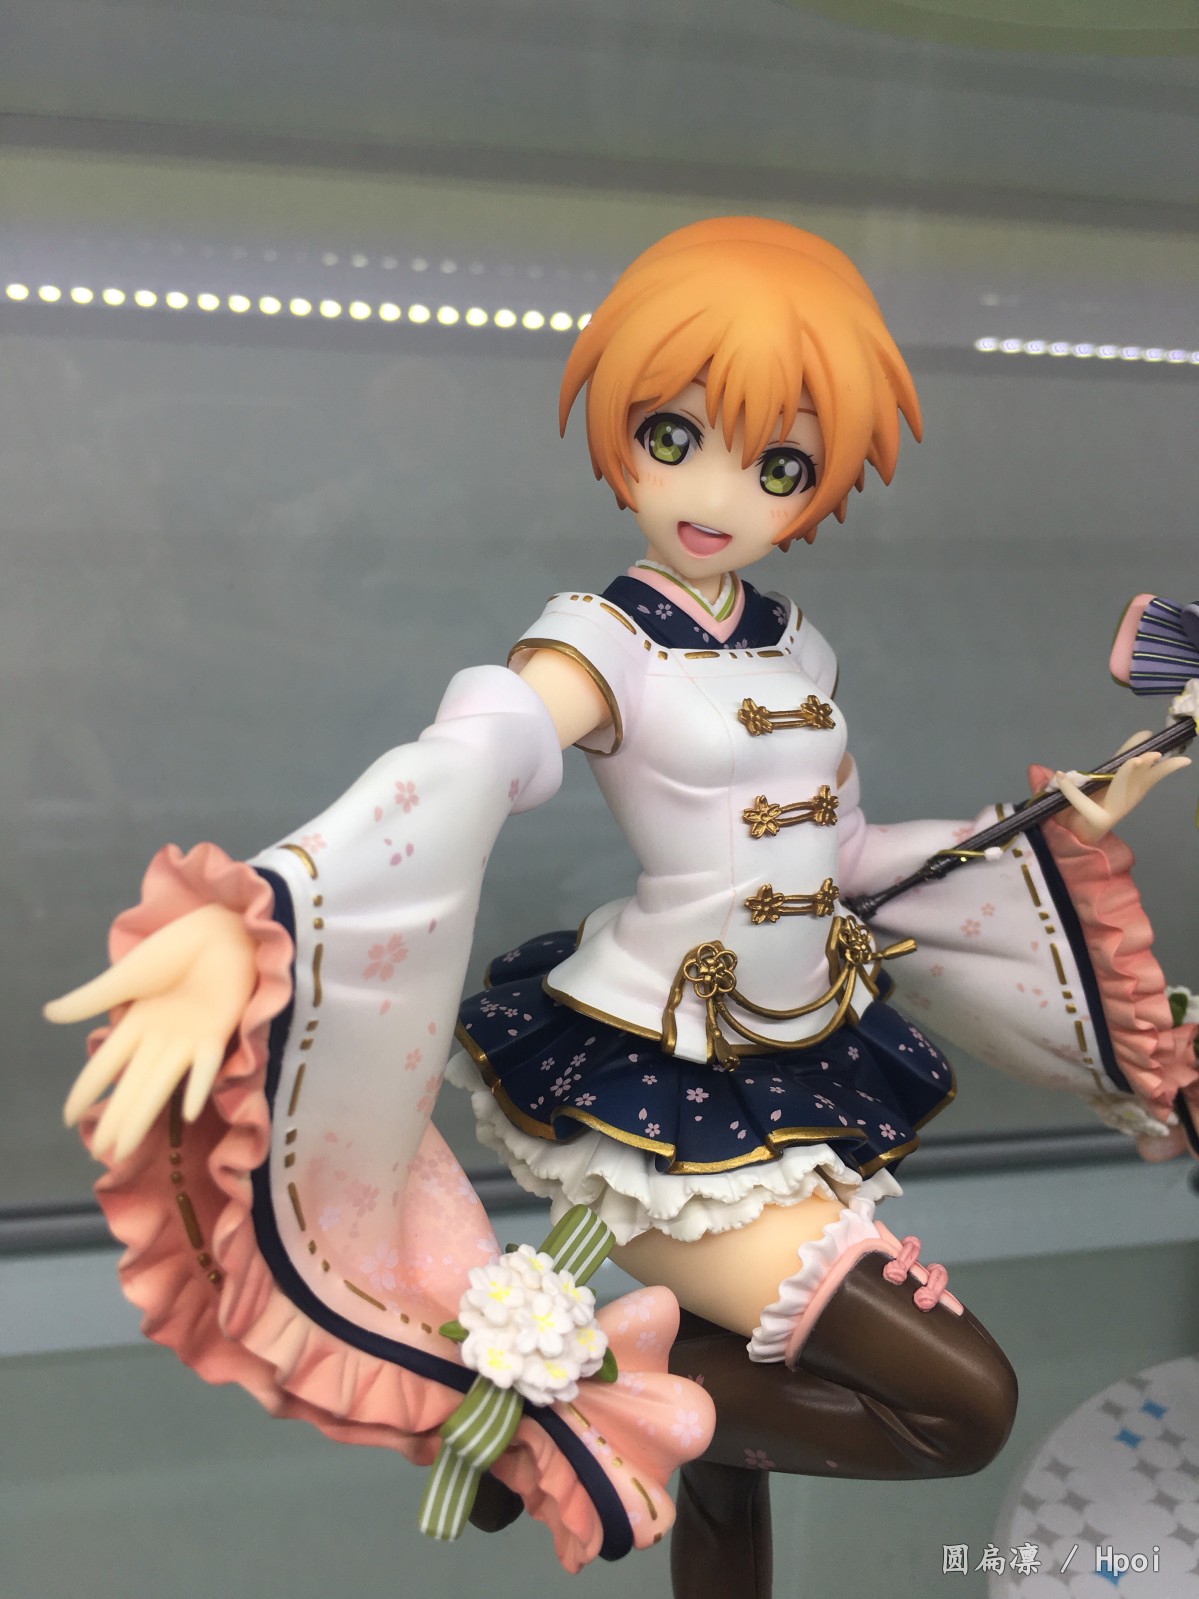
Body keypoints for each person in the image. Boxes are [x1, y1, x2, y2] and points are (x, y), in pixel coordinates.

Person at [48, 217, 1194, 1593]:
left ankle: (600, 1409)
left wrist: (1073, 812)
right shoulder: (603, 641)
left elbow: (847, 854)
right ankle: (572, 1412)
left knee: (799, 1431)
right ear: (622, 432)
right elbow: (481, 751)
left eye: (776, 465)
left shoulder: (800, 647)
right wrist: (264, 912)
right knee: (962, 1406)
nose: (715, 492)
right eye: (673, 436)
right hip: (662, 1106)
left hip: (796, 1075)